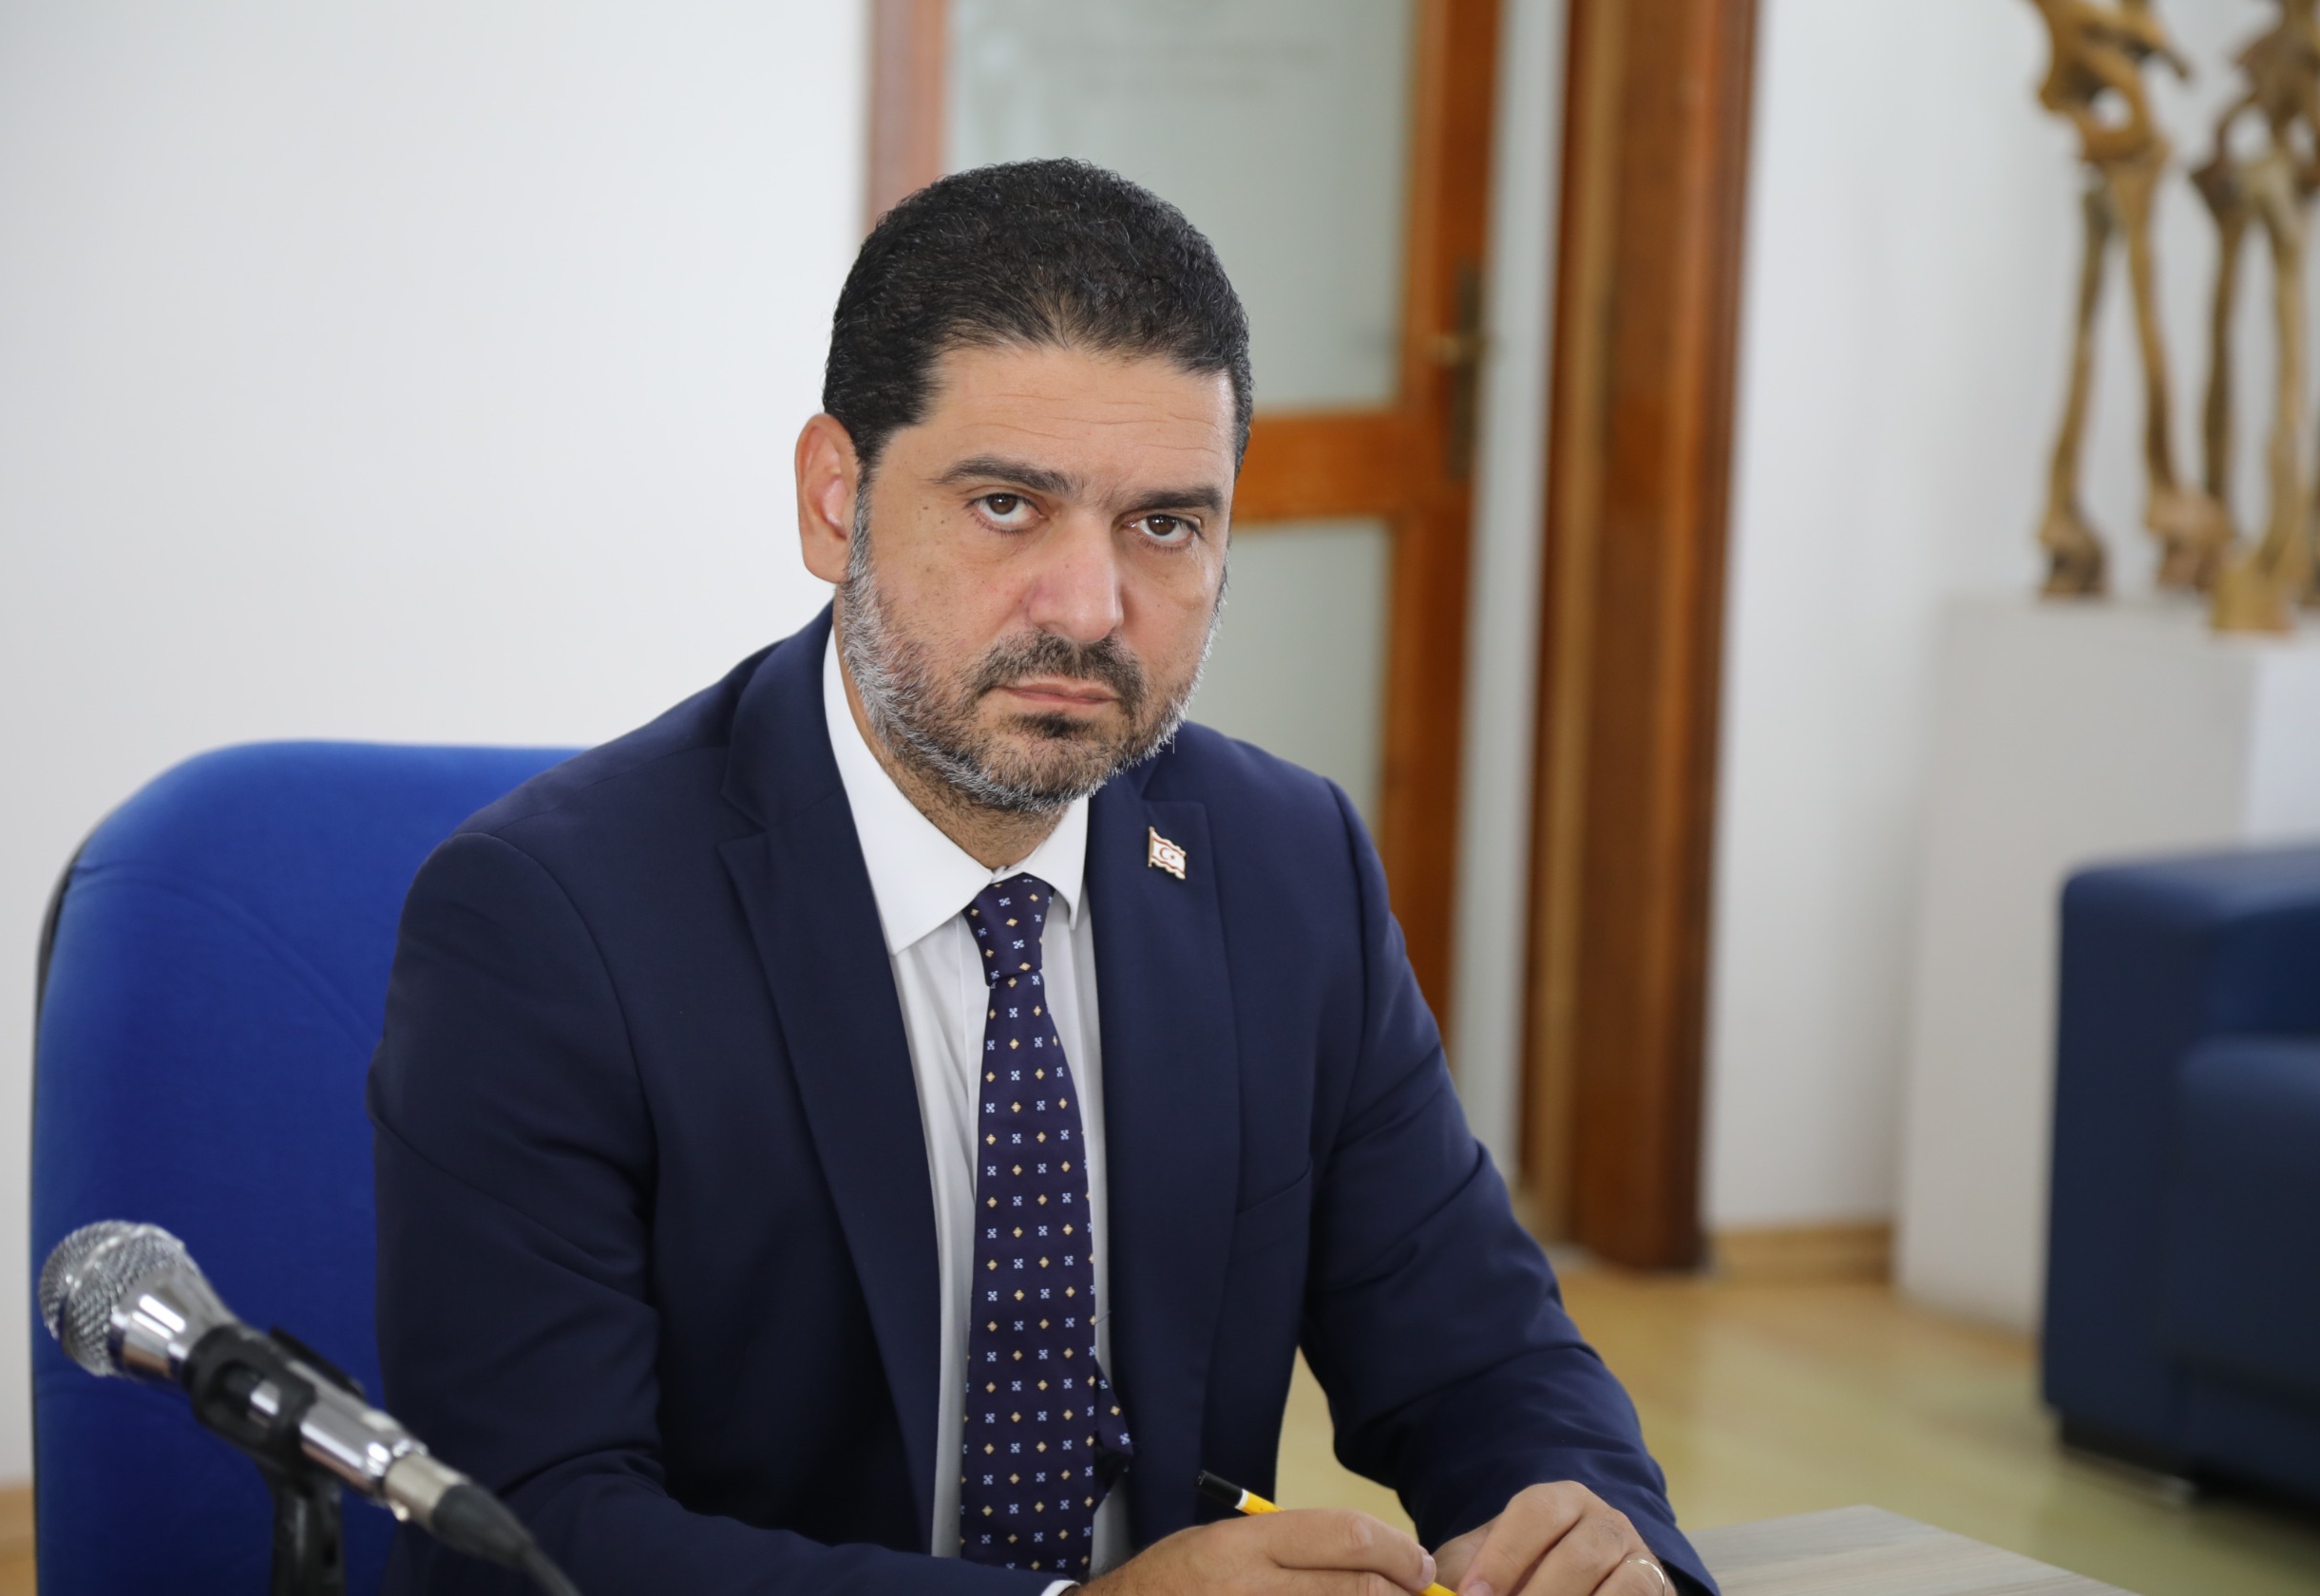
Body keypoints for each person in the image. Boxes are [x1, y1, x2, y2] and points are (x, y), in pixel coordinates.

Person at [369, 159, 1715, 1596]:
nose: (1089, 609)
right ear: (834, 500)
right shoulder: (548, 921)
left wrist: (1587, 1533)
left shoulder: (1286, 865)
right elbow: (527, 1535)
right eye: (1008, 505)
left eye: (1165, 525)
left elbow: (1484, 1357)